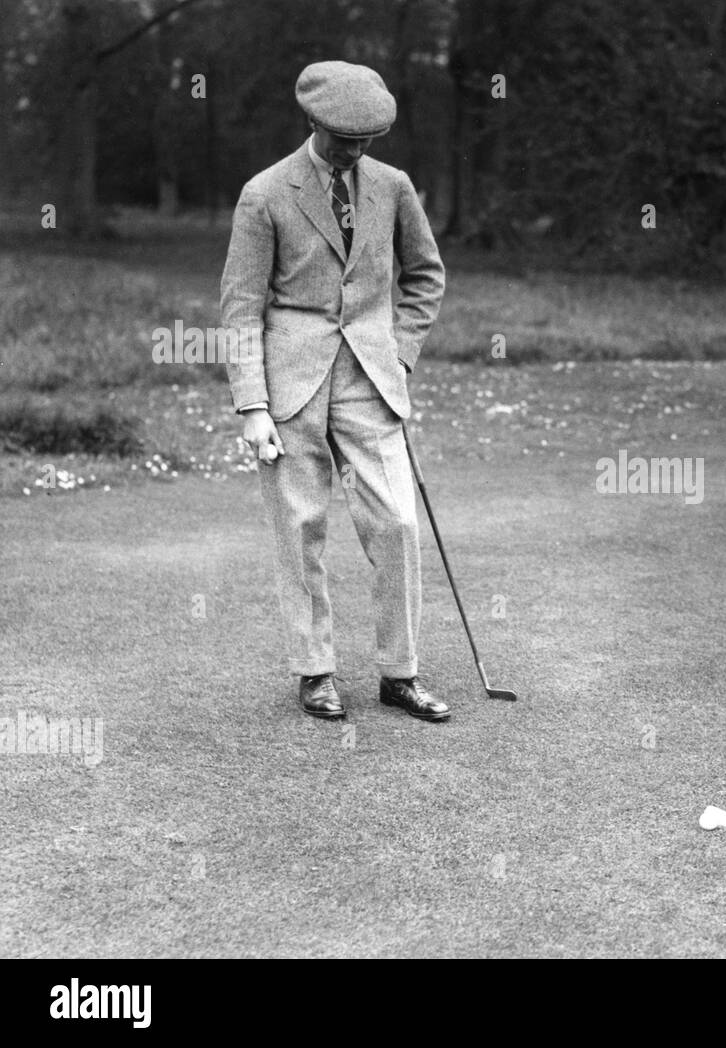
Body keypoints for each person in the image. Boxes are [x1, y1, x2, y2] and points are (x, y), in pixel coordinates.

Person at [221, 61, 448, 723]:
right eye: (344, 138)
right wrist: (253, 406)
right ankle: (315, 671)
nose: (355, 150)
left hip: (372, 380)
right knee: (301, 530)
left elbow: (425, 277)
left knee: (399, 524)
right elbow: (240, 308)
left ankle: (399, 675)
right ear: (313, 122)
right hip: (291, 383)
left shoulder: (393, 186)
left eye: (367, 139)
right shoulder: (264, 194)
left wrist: (400, 357)